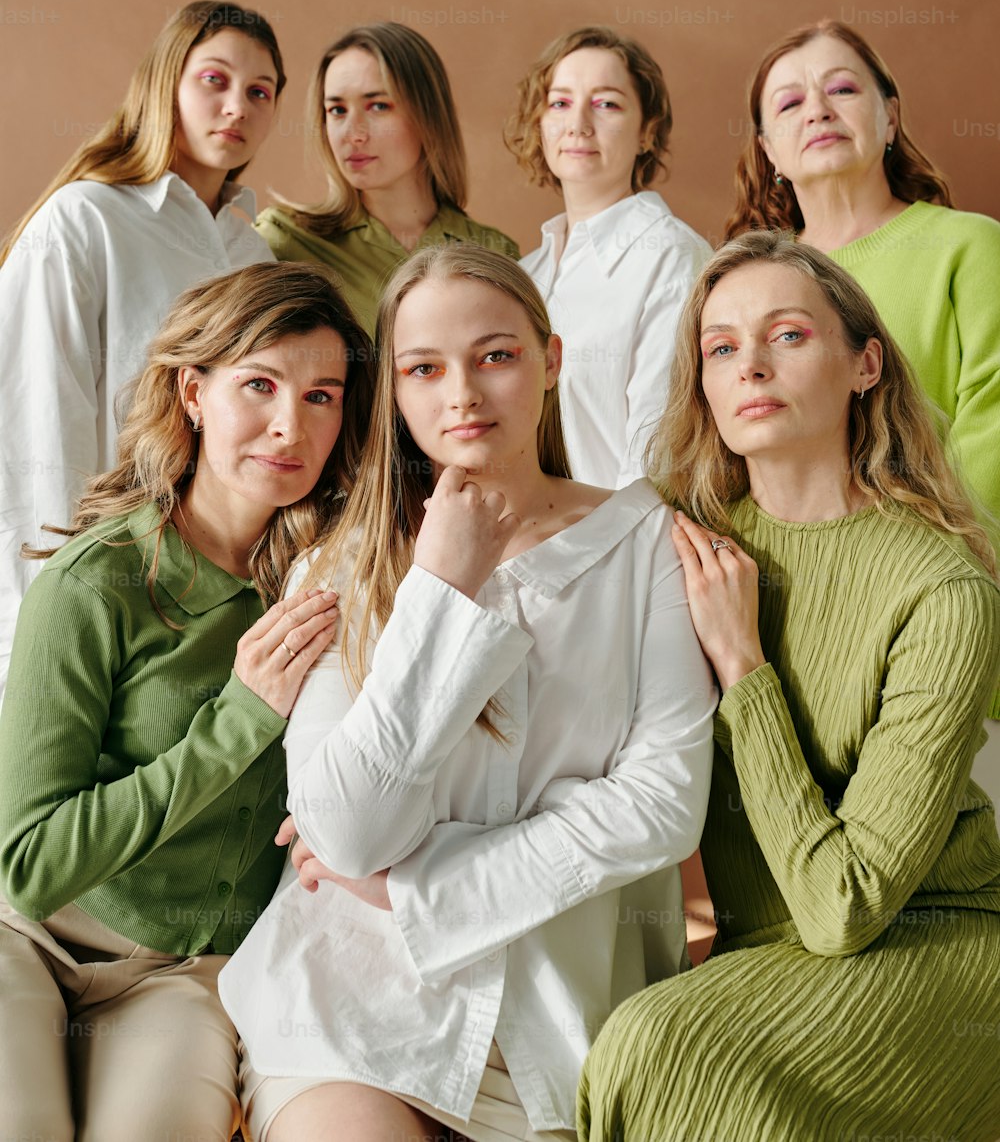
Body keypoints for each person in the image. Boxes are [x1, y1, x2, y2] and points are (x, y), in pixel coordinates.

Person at [219, 243, 717, 1142]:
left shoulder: (645, 543)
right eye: (423, 368)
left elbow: (662, 808)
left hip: (563, 1027)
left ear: (551, 360)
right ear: (396, 392)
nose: (462, 394)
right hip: (346, 1010)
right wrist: (441, 588)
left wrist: (413, 887)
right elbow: (351, 830)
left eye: (496, 355)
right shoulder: (339, 566)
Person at [577, 231, 1000, 1142]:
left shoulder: (945, 591)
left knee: (662, 1046)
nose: (750, 366)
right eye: (721, 347)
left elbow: (845, 907)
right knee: (648, 1045)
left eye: (788, 336)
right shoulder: (676, 540)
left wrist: (743, 663)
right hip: (766, 946)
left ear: (865, 365)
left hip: (930, 941)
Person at [0, 260, 374, 1142]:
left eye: (322, 396)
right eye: (259, 385)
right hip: (29, 935)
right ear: (193, 391)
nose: (291, 424)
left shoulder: (338, 582)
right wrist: (240, 719)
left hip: (185, 972)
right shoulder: (100, 582)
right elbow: (31, 862)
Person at [0, 0, 284, 704]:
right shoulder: (85, 219)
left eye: (259, 92)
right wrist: (43, 620)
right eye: (213, 80)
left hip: (220, 596)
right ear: (166, 84)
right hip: (100, 584)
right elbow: (33, 416)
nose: (236, 107)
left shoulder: (256, 255)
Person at [725, 21, 1000, 712]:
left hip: (950, 598)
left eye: (842, 88)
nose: (817, 107)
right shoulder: (747, 281)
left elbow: (990, 432)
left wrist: (894, 560)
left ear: (889, 118)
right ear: (769, 151)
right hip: (794, 620)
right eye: (789, 103)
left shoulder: (970, 246)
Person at [506, 26, 710, 488]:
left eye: (607, 103)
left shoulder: (673, 258)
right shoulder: (523, 276)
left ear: (646, 133)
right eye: (559, 102)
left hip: (620, 549)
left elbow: (659, 457)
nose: (578, 123)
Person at [256, 21, 520, 339]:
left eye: (378, 106)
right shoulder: (283, 242)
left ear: (428, 115)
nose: (353, 133)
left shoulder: (496, 252)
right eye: (337, 110)